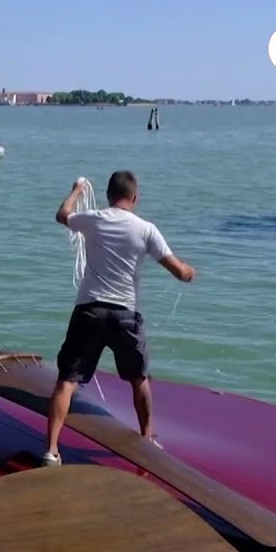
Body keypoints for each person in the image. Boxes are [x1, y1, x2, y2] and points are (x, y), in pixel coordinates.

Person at [42, 171, 195, 465]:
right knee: (139, 379)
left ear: (109, 196)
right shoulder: (146, 229)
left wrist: (76, 189)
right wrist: (190, 273)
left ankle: (51, 450)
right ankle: (147, 440)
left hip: (89, 310)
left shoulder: (94, 218)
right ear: (135, 198)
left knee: (66, 382)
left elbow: (62, 215)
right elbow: (178, 270)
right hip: (125, 314)